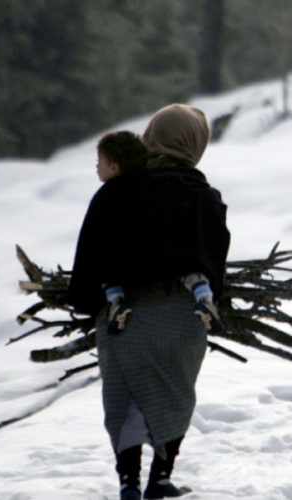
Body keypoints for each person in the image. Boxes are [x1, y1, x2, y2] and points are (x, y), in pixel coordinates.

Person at [69, 104, 231, 500]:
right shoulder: (204, 197)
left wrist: (93, 302)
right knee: (173, 393)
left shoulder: (115, 192)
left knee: (124, 398)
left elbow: (90, 258)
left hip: (123, 317)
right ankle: (159, 479)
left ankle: (128, 484)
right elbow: (213, 263)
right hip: (179, 318)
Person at [93, 131, 224, 337]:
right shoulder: (204, 193)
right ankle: (204, 297)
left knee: (110, 274)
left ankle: (116, 301)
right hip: (184, 308)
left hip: (130, 289)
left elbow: (94, 246)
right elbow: (215, 250)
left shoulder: (118, 191)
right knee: (194, 273)